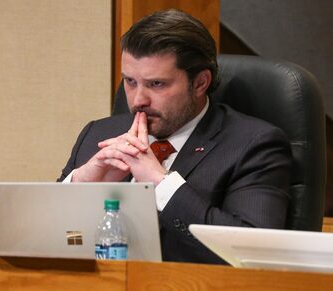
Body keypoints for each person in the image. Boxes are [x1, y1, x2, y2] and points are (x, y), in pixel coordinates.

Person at [58, 9, 292, 264]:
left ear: (200, 82)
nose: (138, 100)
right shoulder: (98, 135)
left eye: (157, 84)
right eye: (130, 82)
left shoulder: (253, 145)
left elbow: (250, 253)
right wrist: (80, 186)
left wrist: (161, 183)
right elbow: (57, 239)